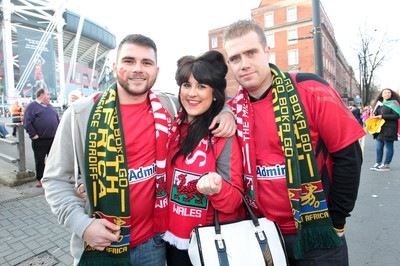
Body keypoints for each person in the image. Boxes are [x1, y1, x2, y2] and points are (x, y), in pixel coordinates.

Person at [41, 34, 236, 266]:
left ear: (156, 70)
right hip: (100, 245)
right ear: (115, 67)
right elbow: (54, 180)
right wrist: (81, 225)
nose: (138, 69)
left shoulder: (168, 107)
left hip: (152, 245)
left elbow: (203, 99)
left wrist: (226, 111)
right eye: (129, 61)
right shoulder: (81, 114)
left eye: (146, 63)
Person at [222, 19, 365, 265]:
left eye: (251, 53)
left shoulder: (310, 88)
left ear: (267, 52)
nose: (244, 64)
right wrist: (222, 109)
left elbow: (348, 156)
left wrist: (337, 220)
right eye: (235, 58)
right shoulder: (232, 109)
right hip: (261, 234)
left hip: (317, 232)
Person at [163, 50, 244, 266]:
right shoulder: (170, 123)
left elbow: (235, 199)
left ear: (215, 93)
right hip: (169, 239)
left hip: (208, 241)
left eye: (201, 86)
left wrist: (218, 188)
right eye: (187, 85)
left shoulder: (221, 133)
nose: (192, 93)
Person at [23, 88, 59, 187]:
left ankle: (53, 177)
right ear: (41, 95)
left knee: (53, 159)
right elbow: (27, 122)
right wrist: (33, 135)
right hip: (40, 140)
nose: (49, 96)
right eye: (48, 94)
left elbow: (56, 120)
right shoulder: (32, 107)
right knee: (40, 160)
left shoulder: (50, 106)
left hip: (52, 139)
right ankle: (40, 179)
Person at [369, 88, 400, 171]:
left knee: (389, 147)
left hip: (390, 129)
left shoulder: (394, 103)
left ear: (391, 94)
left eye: (388, 93)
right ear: (382, 95)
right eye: (385, 93)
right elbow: (376, 114)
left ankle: (386, 164)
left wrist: (382, 116)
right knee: (379, 147)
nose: (387, 94)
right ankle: (378, 163)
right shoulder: (379, 104)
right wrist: (374, 115)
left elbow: (396, 116)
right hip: (379, 129)